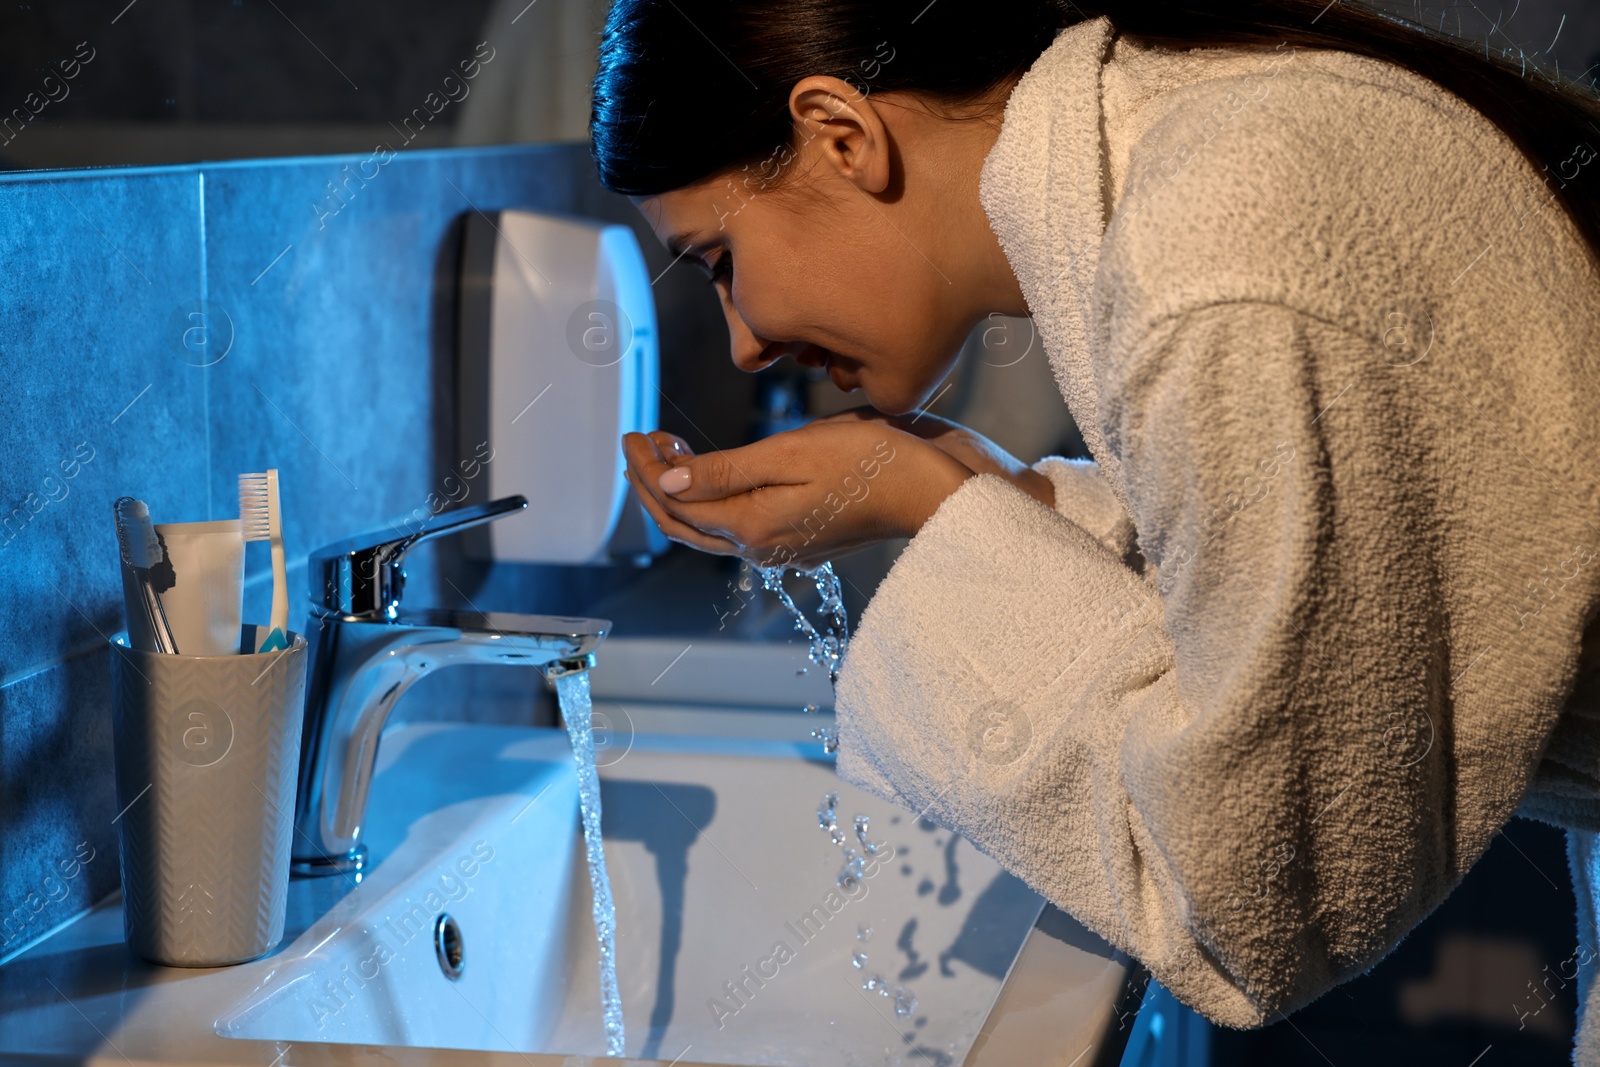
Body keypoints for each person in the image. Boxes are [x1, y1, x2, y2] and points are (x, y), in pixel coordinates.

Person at [596, 0, 1600, 1058]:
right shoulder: (1191, 161)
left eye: (716, 260)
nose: (742, 343)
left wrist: (932, 508)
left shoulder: (1211, 249)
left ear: (843, 135)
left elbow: (1262, 901)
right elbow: (1286, 546)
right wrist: (967, 490)